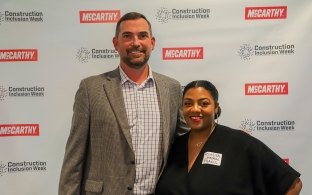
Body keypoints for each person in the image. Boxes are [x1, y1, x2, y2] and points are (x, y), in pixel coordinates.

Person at [58, 12, 188, 195]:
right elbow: (74, 158)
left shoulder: (172, 88)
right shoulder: (91, 89)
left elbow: (187, 142)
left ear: (152, 43)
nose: (136, 43)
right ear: (116, 43)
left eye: (142, 36)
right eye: (127, 36)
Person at [155, 80, 302, 195]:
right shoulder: (175, 145)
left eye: (204, 103)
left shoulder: (239, 143)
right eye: (188, 104)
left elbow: (293, 184)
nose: (195, 109)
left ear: (216, 107)